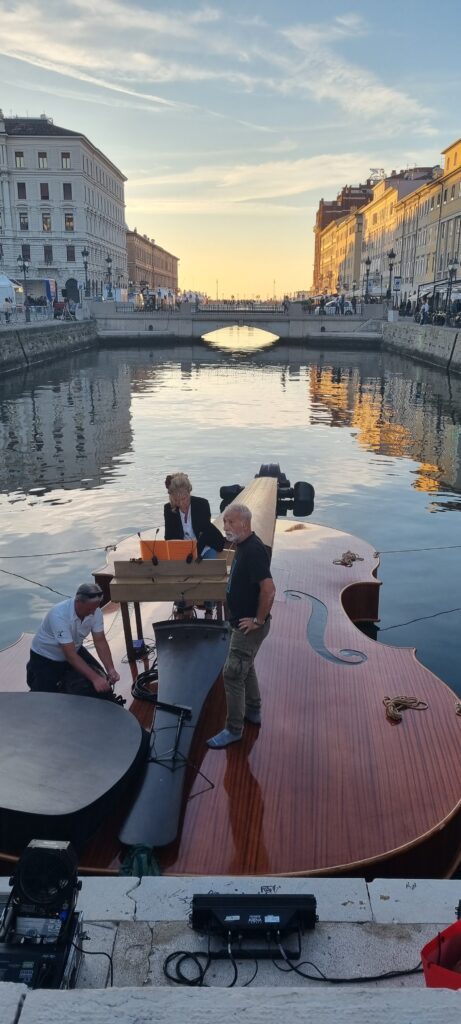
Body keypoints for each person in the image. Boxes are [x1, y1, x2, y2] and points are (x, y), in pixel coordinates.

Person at [207, 503, 276, 749]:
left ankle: (234, 729)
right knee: (246, 666)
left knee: (233, 673)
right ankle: (254, 710)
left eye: (230, 522)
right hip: (243, 623)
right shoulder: (244, 545)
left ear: (244, 524)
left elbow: (269, 591)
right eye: (225, 522)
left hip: (248, 628)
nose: (225, 527)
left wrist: (257, 620)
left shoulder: (253, 551)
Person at [26, 582, 120, 699]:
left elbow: (100, 641)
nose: (93, 612)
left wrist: (111, 669)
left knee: (103, 682)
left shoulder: (95, 611)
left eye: (96, 607)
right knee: (46, 697)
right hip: (46, 656)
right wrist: (95, 679)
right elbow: (70, 656)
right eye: (90, 608)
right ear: (78, 602)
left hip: (75, 649)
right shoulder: (59, 615)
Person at [164, 472, 224, 619]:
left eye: (184, 498)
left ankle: (209, 607)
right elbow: (169, 537)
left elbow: (205, 533)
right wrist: (180, 552)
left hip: (205, 545)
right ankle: (183, 605)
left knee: (209, 571)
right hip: (183, 550)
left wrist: (194, 554)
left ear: (189, 491)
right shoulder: (168, 509)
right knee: (177, 571)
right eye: (177, 499)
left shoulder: (202, 504)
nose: (182, 503)